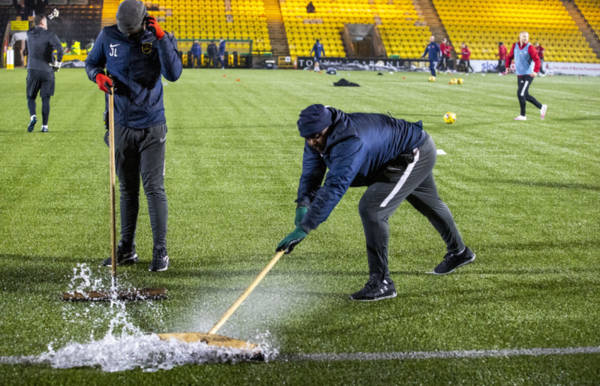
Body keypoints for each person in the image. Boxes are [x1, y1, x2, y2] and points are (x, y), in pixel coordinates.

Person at [276, 104, 475, 302]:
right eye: (307, 138)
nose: (312, 142)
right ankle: (460, 253)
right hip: (392, 155)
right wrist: (303, 203)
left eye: (316, 136)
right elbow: (312, 172)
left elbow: (336, 185)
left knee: (372, 209)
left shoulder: (350, 140)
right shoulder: (315, 134)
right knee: (428, 203)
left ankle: (382, 283)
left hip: (412, 154)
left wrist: (305, 227)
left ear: (328, 127)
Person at [85, 0, 182, 271]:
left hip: (152, 126)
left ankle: (160, 251)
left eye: (131, 30)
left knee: (153, 188)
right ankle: (127, 249)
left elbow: (173, 74)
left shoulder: (157, 37)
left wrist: (162, 38)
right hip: (120, 125)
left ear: (143, 22)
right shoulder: (107, 35)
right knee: (127, 189)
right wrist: (97, 77)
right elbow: (91, 63)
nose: (126, 34)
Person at [25, 14, 62, 133]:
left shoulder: (29, 33)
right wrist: (58, 63)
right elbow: (60, 49)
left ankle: (33, 116)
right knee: (45, 99)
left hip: (32, 70)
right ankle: (44, 126)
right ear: (42, 23)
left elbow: (37, 25)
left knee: (30, 97)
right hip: (47, 71)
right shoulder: (50, 35)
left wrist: (49, 17)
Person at [504, 31, 547, 121]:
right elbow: (509, 56)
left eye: (527, 37)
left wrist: (535, 71)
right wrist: (507, 67)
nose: (525, 38)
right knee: (525, 95)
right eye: (523, 36)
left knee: (521, 93)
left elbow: (537, 60)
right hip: (519, 74)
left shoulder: (530, 47)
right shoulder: (515, 46)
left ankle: (523, 115)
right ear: (519, 37)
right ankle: (542, 107)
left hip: (529, 74)